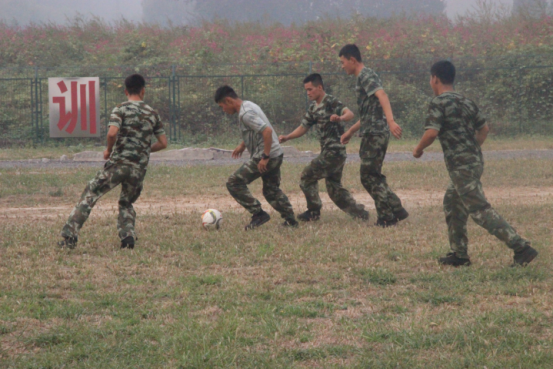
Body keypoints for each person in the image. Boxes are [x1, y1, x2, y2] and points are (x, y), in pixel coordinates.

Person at [413, 60, 537, 266]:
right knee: (452, 202)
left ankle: (521, 247)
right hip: (474, 161)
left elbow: (431, 133)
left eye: (430, 78)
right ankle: (459, 254)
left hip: (461, 166)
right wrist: (472, 148)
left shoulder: (439, 102)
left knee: (479, 210)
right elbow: (484, 129)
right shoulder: (466, 101)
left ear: (435, 78)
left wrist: (418, 150)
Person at [58, 74, 167, 250]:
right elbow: (163, 143)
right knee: (126, 202)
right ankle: (127, 237)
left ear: (125, 91)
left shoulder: (120, 109)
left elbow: (112, 133)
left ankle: (70, 236)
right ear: (143, 91)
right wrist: (144, 150)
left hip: (118, 165)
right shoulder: (152, 113)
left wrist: (108, 150)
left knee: (91, 193)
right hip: (138, 169)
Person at [279, 73, 368, 221]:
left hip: (334, 152)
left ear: (319, 87)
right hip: (331, 153)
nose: (308, 93)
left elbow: (350, 114)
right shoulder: (314, 108)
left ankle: (313, 212)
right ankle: (360, 214)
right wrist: (287, 137)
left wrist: (340, 118)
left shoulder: (331, 102)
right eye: (306, 90)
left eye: (310, 89)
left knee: (307, 176)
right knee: (334, 189)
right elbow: (303, 127)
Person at [339, 44, 408, 227]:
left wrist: (391, 121)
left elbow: (382, 95)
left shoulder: (365, 75)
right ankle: (396, 208)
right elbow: (368, 113)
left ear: (352, 60)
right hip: (372, 131)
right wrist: (351, 131)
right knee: (373, 175)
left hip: (375, 133)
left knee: (368, 176)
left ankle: (387, 217)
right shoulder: (364, 76)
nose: (342, 66)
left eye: (343, 62)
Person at [215, 85, 298, 230]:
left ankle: (258, 214)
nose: (224, 110)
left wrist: (265, 157)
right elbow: (257, 130)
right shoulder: (248, 105)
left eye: (222, 106)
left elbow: (266, 131)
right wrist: (243, 145)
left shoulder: (245, 114)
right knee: (271, 190)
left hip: (267, 156)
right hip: (276, 153)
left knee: (234, 182)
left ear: (228, 101)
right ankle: (291, 220)